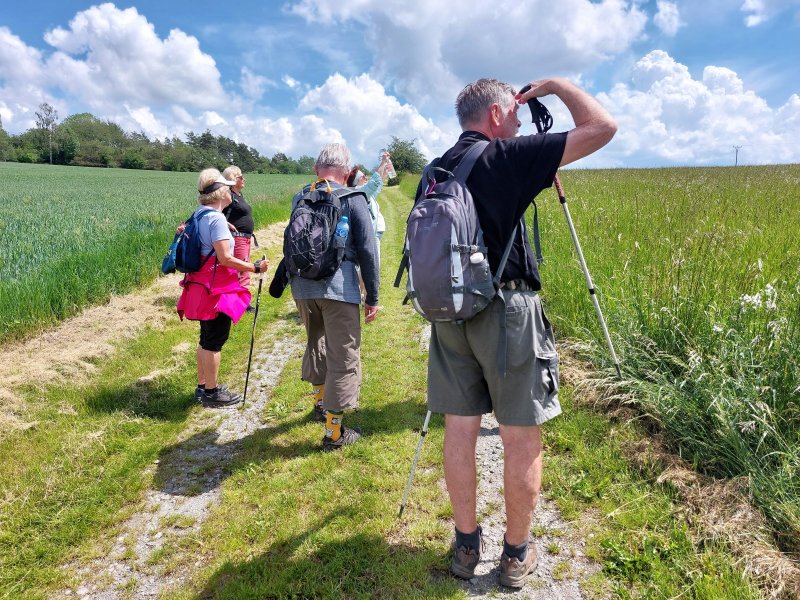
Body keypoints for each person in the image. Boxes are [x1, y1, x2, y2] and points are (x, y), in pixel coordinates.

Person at [419, 78, 616, 588]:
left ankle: (465, 548)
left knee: (459, 429)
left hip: (448, 315)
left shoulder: (434, 170)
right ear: (498, 114)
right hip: (506, 311)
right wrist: (553, 84)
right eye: (518, 112)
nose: (524, 121)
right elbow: (603, 127)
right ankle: (513, 556)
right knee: (520, 434)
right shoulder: (506, 158)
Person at [289, 143, 380, 451]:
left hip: (301, 286)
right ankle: (334, 433)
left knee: (316, 342)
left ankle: (319, 403)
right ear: (346, 171)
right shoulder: (355, 198)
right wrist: (373, 295)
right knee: (344, 355)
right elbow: (368, 251)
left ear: (316, 170)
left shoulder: (299, 196)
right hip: (339, 289)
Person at [176, 168, 269, 408]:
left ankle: (203, 386)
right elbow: (226, 258)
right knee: (214, 340)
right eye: (227, 187)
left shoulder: (200, 214)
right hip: (215, 289)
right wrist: (254, 267)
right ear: (219, 193)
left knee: (205, 338)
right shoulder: (216, 219)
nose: (230, 191)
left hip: (199, 285)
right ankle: (212, 392)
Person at [346, 152, 392, 264]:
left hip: (373, 233)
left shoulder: (362, 192)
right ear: (357, 180)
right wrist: (383, 161)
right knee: (371, 266)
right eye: (363, 176)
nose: (366, 178)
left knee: (370, 266)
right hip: (370, 235)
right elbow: (374, 183)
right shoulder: (358, 191)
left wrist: (384, 173)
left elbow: (377, 186)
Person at [221, 166, 257, 298]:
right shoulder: (227, 195)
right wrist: (225, 222)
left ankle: (240, 297)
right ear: (233, 179)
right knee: (242, 268)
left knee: (243, 267)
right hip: (236, 238)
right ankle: (240, 299)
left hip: (245, 238)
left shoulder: (239, 195)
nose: (244, 179)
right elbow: (214, 212)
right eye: (241, 177)